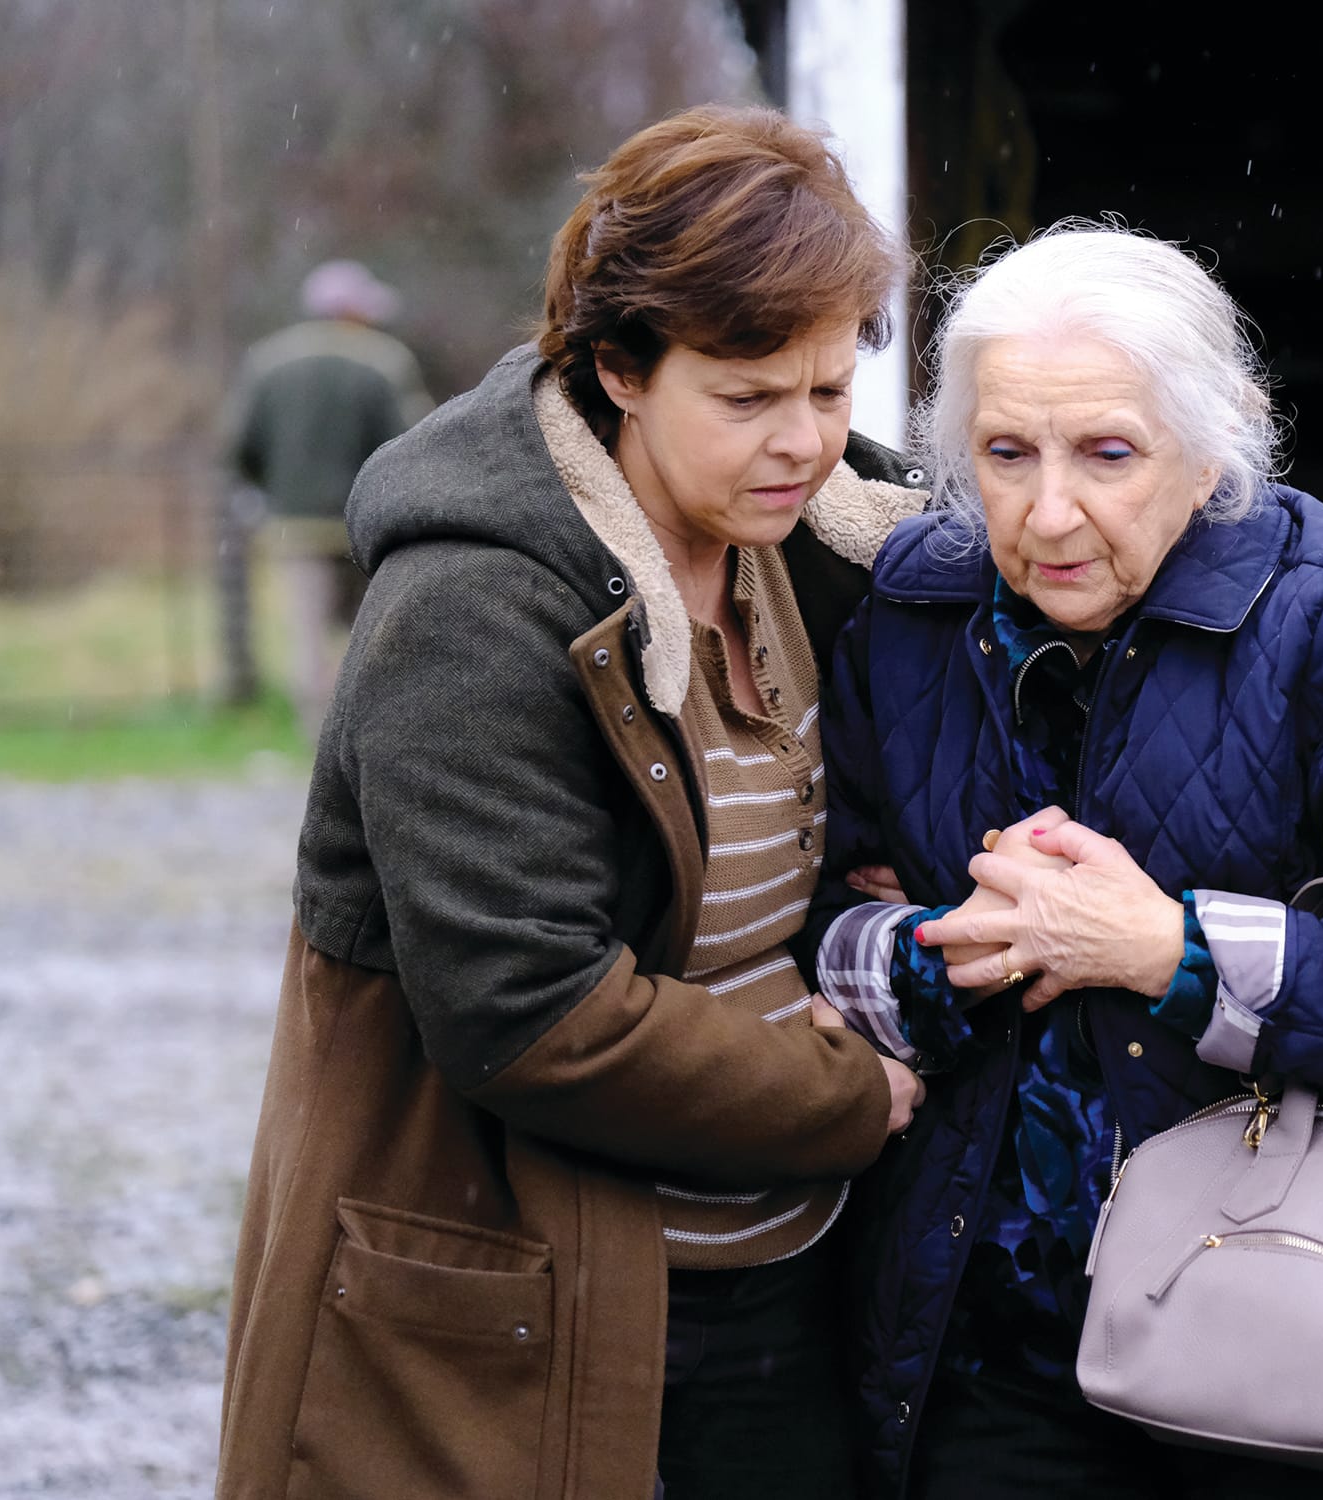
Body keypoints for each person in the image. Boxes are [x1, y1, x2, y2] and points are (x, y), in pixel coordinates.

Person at [217, 106, 935, 1500]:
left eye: (831, 392)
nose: (802, 444)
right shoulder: (471, 612)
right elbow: (527, 1012)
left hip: (789, 1280)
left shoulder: (818, 536)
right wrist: (857, 1093)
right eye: (745, 398)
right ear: (618, 368)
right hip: (549, 1301)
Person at [809, 221, 1323, 1498]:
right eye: (1004, 455)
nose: (1051, 511)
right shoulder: (910, 614)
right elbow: (809, 919)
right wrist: (944, 955)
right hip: (987, 1344)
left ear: (1214, 447)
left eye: (1109, 453)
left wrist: (1165, 948)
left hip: (1279, 1336)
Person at [225, 258, 431, 738]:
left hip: (293, 525)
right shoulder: (383, 361)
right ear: (353, 311)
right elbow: (415, 441)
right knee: (376, 632)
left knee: (308, 634)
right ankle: (378, 733)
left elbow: (240, 447)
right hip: (371, 525)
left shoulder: (268, 362)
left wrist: (273, 493)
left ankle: (317, 737)